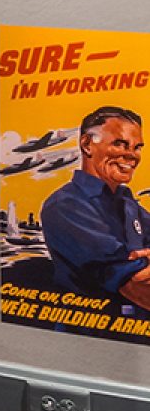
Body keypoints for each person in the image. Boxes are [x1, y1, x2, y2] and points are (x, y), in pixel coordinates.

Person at [41, 106, 150, 315]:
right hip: (93, 336)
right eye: (120, 144)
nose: (131, 156)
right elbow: (134, 286)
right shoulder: (65, 206)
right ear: (87, 144)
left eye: (137, 147)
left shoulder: (127, 203)